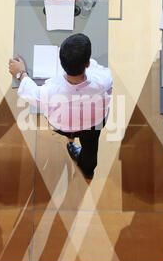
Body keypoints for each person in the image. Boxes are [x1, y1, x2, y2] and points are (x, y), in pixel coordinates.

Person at [9, 33, 112, 179]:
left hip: (62, 127)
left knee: (71, 134)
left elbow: (30, 91)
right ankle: (88, 170)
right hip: (94, 124)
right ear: (87, 63)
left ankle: (71, 140)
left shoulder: (49, 90)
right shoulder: (103, 80)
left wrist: (21, 73)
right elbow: (103, 79)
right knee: (91, 148)